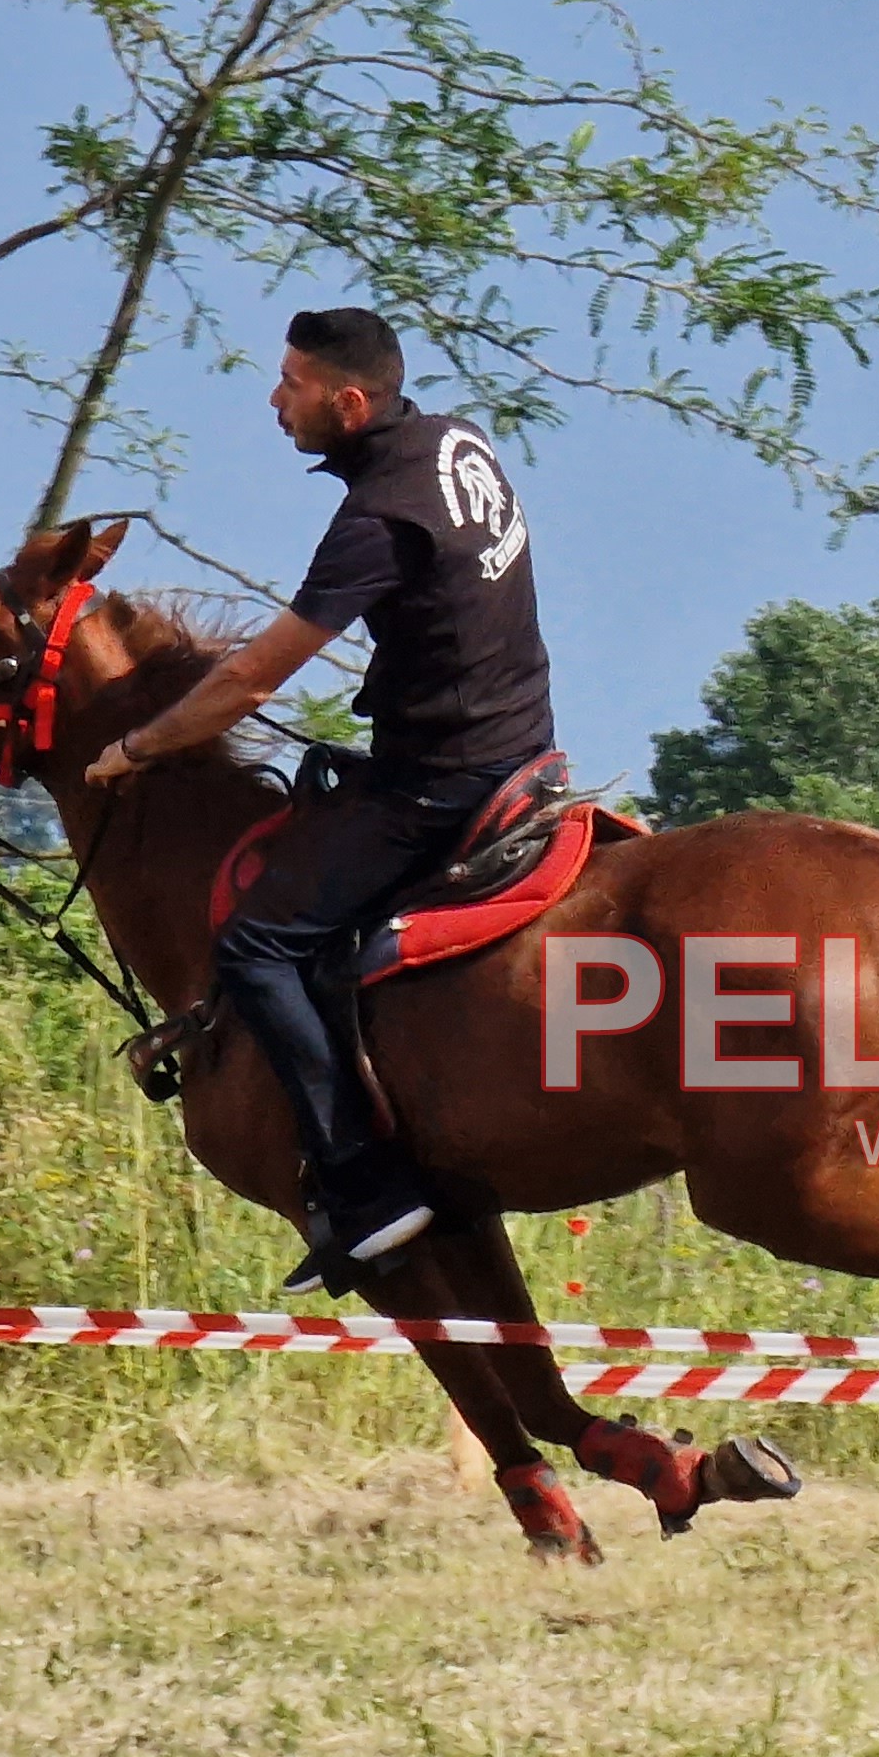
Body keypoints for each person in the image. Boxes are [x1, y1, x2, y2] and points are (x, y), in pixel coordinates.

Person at [86, 307, 557, 1293]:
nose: (274, 399)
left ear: (348, 400)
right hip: (515, 740)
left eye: (291, 384)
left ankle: (365, 1184)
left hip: (444, 776)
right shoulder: (455, 441)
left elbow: (255, 679)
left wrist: (137, 745)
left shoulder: (380, 510)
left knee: (256, 943)